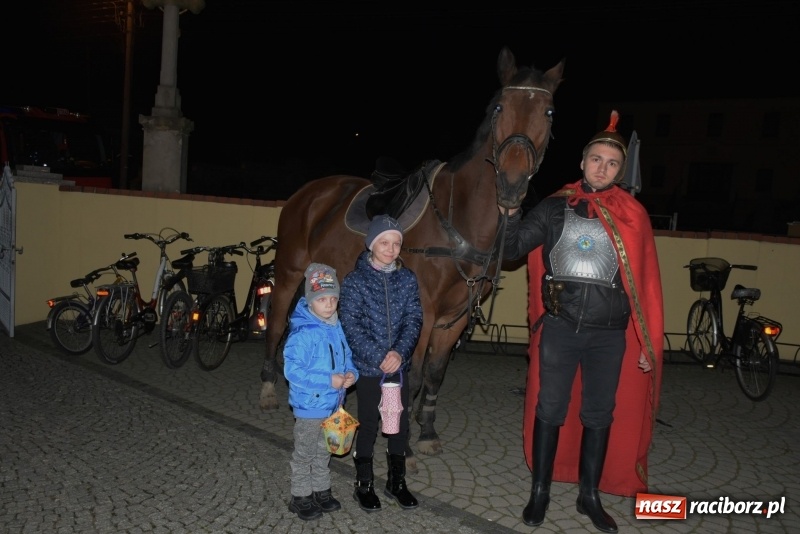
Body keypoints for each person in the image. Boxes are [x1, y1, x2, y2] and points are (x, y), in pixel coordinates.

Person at [498, 111, 664, 533]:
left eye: (611, 163)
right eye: (596, 159)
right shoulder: (555, 207)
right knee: (550, 408)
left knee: (598, 413)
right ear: (582, 161)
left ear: (619, 170)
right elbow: (514, 247)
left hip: (609, 335)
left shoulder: (633, 214)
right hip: (560, 329)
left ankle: (589, 495)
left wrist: (649, 344)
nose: (602, 168)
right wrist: (511, 209)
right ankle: (540, 492)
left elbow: (645, 284)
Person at [339, 214, 423, 513]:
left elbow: (414, 318)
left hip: (397, 368)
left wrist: (399, 353)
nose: (391, 249)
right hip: (369, 367)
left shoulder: (407, 278)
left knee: (397, 423)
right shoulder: (355, 280)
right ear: (372, 245)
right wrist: (378, 356)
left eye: (396, 243)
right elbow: (350, 322)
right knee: (370, 424)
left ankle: (396, 483)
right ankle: (364, 485)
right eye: (384, 242)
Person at [283, 262, 358, 521]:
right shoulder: (302, 334)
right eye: (322, 299)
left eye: (333, 299)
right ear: (310, 301)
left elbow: (347, 357)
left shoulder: (336, 328)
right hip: (309, 407)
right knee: (304, 452)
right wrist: (329, 380)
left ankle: (321, 490)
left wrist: (351, 375)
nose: (329, 304)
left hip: (332, 405)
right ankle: (300, 495)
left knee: (324, 449)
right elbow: (293, 372)